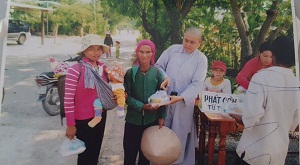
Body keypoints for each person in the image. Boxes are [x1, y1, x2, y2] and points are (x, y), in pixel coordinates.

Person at [230, 36, 299, 165]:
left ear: (274, 55)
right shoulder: (296, 83)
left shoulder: (261, 77)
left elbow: (252, 117)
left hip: (254, 152)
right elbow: (293, 125)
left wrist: (236, 116)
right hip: (279, 153)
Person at [155, 27, 208, 165]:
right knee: (162, 130)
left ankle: (177, 162)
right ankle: (160, 161)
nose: (188, 44)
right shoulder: (172, 50)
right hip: (165, 98)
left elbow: (198, 83)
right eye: (186, 40)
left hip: (183, 102)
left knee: (179, 134)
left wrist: (182, 97)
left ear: (199, 43)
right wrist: (165, 77)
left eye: (192, 42)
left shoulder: (201, 59)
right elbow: (159, 66)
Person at [64, 34, 110, 165]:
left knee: (95, 151)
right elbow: (68, 100)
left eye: (99, 49)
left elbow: (108, 89)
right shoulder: (75, 70)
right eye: (92, 49)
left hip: (100, 116)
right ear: (84, 51)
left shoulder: (103, 69)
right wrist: (70, 124)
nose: (96, 52)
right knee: (85, 155)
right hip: (83, 120)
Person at [123, 39, 166, 165]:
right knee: (130, 154)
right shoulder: (131, 73)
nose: (144, 55)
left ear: (153, 53)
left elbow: (162, 95)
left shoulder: (157, 73)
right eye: (141, 52)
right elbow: (126, 96)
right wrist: (142, 106)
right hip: (133, 121)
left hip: (150, 121)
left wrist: (162, 115)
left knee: (146, 155)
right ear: (137, 53)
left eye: (148, 52)